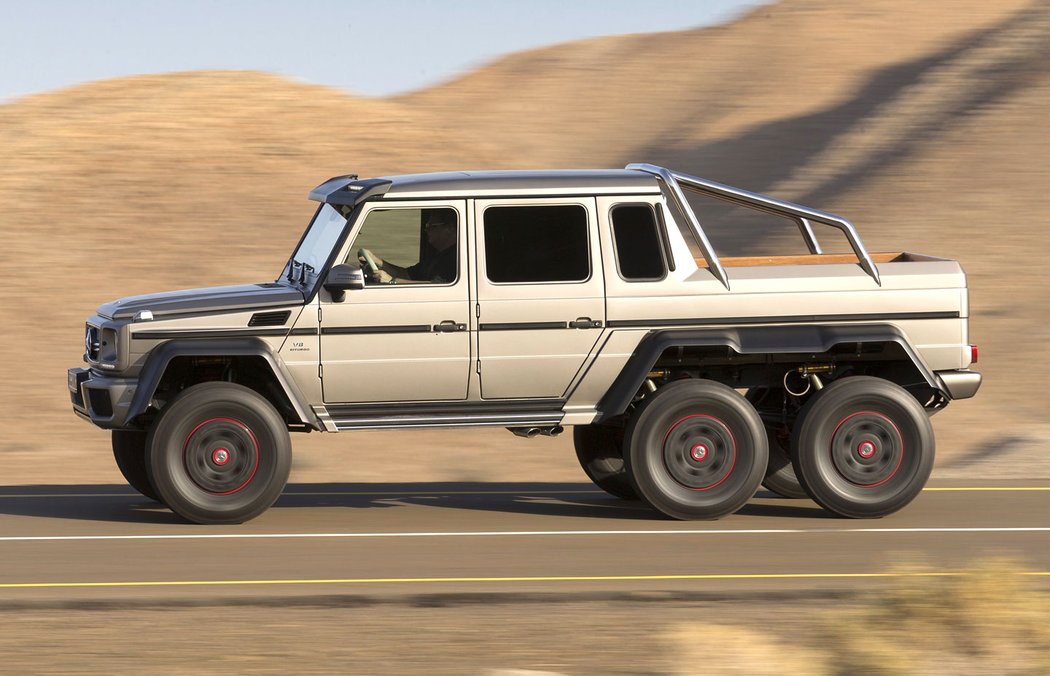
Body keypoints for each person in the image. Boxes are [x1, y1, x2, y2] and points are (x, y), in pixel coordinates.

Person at [359, 212, 457, 284]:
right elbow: (407, 274)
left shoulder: (456, 258)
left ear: (450, 228)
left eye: (431, 226)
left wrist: (391, 281)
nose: (426, 230)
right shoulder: (438, 257)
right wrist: (377, 260)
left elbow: (435, 287)